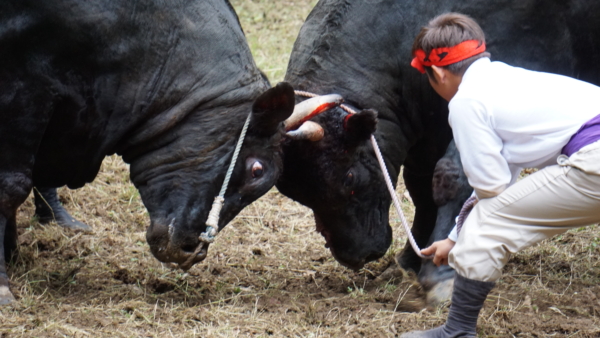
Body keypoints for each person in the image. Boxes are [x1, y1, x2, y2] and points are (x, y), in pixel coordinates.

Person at [401, 12, 600, 338]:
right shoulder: (504, 79)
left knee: (487, 223)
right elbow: (503, 179)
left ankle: (457, 331)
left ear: (436, 72)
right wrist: (453, 238)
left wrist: (466, 236)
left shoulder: (466, 101)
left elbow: (491, 189)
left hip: (594, 158)